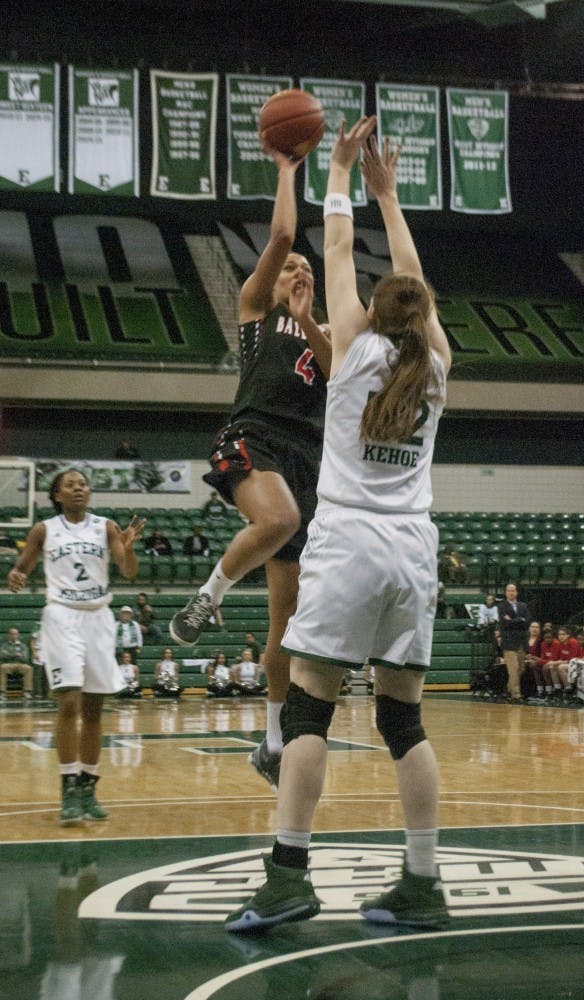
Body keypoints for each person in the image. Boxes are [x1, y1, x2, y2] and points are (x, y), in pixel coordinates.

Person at [225, 117, 452, 934]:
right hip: (413, 547)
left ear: (373, 315)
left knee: (312, 713)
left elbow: (331, 244)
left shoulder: (351, 348)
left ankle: (288, 875)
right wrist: (394, 202)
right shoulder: (438, 367)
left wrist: (346, 175)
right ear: (425, 321)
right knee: (404, 721)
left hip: (349, 541)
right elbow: (412, 278)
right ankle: (422, 883)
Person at [168, 133, 331, 792]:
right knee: (279, 519)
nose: (298, 275)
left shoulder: (319, 331)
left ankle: (270, 740)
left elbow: (340, 368)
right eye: (294, 272)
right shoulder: (255, 311)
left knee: (286, 624)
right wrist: (289, 170)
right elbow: (282, 239)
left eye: (308, 275)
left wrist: (313, 317)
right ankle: (205, 598)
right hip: (253, 434)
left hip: (305, 454)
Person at [6, 467, 145, 825]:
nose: (79, 489)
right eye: (71, 485)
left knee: (95, 710)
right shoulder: (44, 530)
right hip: (62, 616)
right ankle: (67, 788)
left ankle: (88, 787)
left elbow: (128, 571)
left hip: (98, 617)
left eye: (83, 484)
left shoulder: (106, 527)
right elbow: (22, 567)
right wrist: (17, 574)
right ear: (57, 495)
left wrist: (128, 551)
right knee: (69, 702)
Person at [497, 582, 529, 702]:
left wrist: (513, 621)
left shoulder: (523, 606)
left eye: (513, 590)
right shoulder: (502, 606)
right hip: (509, 643)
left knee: (521, 669)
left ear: (516, 592)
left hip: (521, 642)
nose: (511, 592)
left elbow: (527, 622)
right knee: (513, 669)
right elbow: (505, 624)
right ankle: (516, 694)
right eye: (509, 590)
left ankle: (509, 689)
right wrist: (519, 620)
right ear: (506, 592)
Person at [0, 625, 33, 700]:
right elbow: (2, 655)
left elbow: (25, 658)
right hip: (8, 664)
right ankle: (2, 692)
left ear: (18, 635)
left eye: (15, 634)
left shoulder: (23, 646)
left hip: (20, 664)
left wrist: (9, 654)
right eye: (12, 634)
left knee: (28, 668)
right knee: (2, 667)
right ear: (9, 635)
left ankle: (27, 692)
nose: (13, 636)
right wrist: (16, 654)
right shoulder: (4, 645)